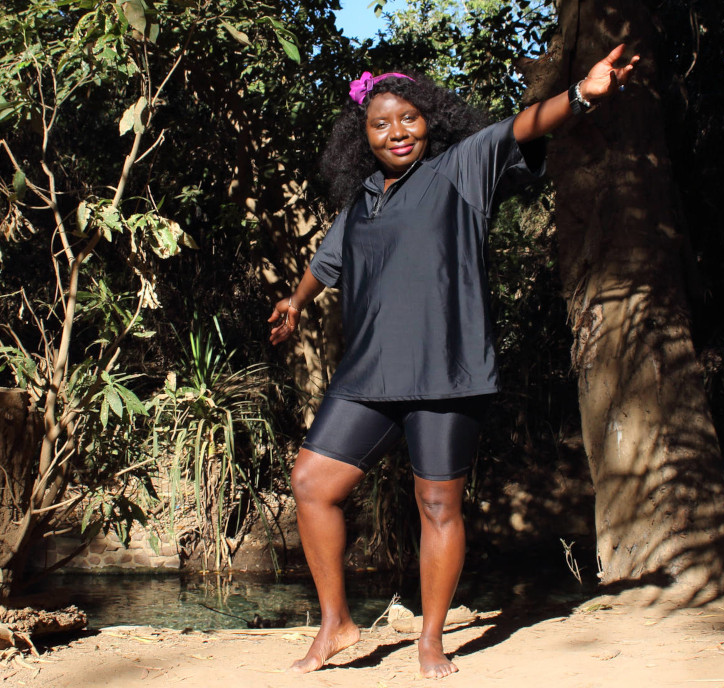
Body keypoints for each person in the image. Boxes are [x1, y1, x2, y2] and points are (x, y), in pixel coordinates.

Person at [269, 45, 639, 679]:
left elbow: (521, 126)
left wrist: (581, 93)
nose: (397, 132)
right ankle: (337, 623)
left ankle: (431, 639)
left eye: (408, 118)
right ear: (363, 138)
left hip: (447, 369)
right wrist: (295, 302)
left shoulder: (461, 168)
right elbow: (325, 262)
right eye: (380, 124)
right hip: (367, 375)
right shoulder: (360, 201)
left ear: (430, 121)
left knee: (437, 504)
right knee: (311, 483)